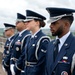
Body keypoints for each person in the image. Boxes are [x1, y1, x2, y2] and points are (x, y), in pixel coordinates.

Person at [45, 7, 75, 75]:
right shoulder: (50, 45)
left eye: (54, 23)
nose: (50, 26)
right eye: (51, 23)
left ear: (66, 25)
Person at [22, 10, 50, 75]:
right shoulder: (29, 37)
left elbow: (42, 64)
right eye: (26, 21)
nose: (26, 23)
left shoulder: (43, 39)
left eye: (28, 21)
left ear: (37, 23)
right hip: (26, 70)